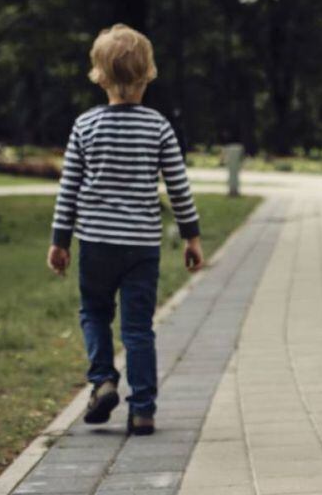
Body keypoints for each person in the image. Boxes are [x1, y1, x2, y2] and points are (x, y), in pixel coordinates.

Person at [46, 24, 204, 436]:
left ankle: (102, 380)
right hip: (141, 247)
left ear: (98, 75)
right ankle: (143, 409)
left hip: (96, 243)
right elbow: (179, 187)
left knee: (94, 312)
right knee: (137, 327)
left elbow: (69, 189)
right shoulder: (159, 127)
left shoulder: (85, 126)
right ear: (148, 73)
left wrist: (60, 240)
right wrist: (192, 237)